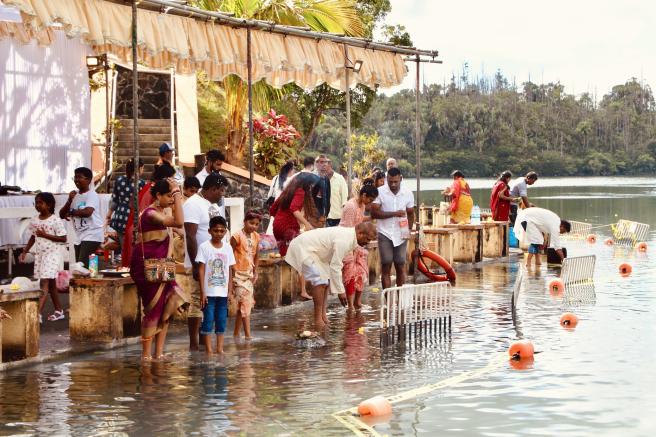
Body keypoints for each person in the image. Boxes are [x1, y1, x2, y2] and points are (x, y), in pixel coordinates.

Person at [130, 179, 188, 360]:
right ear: (158, 196)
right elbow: (179, 222)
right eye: (169, 196)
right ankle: (146, 356)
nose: (172, 199)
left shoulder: (162, 214)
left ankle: (159, 353)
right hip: (149, 265)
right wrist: (178, 193)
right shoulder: (150, 214)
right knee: (153, 309)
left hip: (163, 264)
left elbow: (179, 227)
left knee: (167, 308)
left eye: (173, 196)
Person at [285, 222, 377, 330]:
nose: (367, 243)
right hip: (304, 248)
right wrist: (340, 291)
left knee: (326, 281)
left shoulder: (350, 237)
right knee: (320, 281)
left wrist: (338, 289)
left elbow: (335, 265)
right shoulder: (345, 239)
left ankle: (323, 316)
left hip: (317, 253)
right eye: (368, 239)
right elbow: (335, 266)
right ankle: (318, 320)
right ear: (360, 233)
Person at [183, 173, 230, 351]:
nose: (222, 195)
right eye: (221, 191)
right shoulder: (193, 204)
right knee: (197, 301)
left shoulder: (211, 205)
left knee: (211, 302)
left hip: (216, 264)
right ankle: (194, 343)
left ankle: (205, 340)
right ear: (212, 189)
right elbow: (190, 234)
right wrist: (196, 264)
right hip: (200, 263)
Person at [270, 172, 320, 301]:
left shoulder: (287, 191)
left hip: (277, 226)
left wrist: (280, 219)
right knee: (301, 257)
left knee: (287, 256)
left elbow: (273, 209)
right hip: (288, 227)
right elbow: (294, 209)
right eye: (311, 184)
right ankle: (303, 291)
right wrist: (307, 224)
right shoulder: (300, 191)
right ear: (307, 183)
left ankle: (284, 292)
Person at [20, 193, 67, 322]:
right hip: (41, 255)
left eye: (40, 202)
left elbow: (63, 238)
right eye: (36, 202)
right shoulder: (35, 219)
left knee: (44, 282)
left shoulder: (55, 220)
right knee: (51, 285)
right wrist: (25, 250)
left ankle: (36, 314)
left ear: (49, 205)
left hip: (52, 255)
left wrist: (45, 235)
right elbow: (33, 236)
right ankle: (59, 310)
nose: (37, 205)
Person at [121, 162, 177, 268]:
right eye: (172, 179)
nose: (173, 183)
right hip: (144, 238)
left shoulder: (150, 188)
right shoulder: (153, 197)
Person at [196, 216, 236, 355]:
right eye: (216, 230)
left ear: (225, 231)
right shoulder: (204, 247)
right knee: (208, 320)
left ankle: (220, 348)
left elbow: (230, 270)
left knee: (221, 320)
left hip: (223, 293)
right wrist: (202, 291)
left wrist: (230, 291)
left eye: (221, 231)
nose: (218, 233)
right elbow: (201, 269)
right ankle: (209, 350)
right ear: (209, 231)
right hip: (209, 293)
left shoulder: (228, 248)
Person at [370, 167, 415, 289]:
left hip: (401, 233)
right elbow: (374, 214)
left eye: (395, 181)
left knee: (400, 265)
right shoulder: (379, 191)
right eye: (390, 182)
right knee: (386, 265)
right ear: (386, 179)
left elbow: (411, 213)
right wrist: (394, 213)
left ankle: (400, 300)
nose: (393, 184)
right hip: (384, 233)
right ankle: (388, 300)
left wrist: (409, 230)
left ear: (400, 179)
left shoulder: (408, 193)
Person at [340, 184, 378, 310]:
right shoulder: (350, 206)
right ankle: (350, 305)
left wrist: (372, 217)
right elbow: (349, 228)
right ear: (364, 195)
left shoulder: (361, 205)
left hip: (357, 243)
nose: (369, 203)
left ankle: (357, 301)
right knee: (350, 274)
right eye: (370, 200)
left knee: (362, 272)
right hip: (347, 243)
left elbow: (360, 221)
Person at [59, 167, 104, 268]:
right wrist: (69, 200)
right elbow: (61, 214)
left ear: (88, 180)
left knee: (81, 265)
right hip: (79, 235)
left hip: (92, 233)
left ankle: (87, 282)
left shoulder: (92, 195)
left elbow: (88, 212)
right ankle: (93, 280)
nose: (76, 180)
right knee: (90, 263)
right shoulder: (74, 195)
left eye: (80, 177)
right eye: (75, 177)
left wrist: (71, 212)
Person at [230, 211, 261, 339]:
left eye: (256, 224)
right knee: (245, 304)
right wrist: (230, 276)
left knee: (241, 306)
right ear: (245, 221)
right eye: (251, 223)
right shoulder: (236, 236)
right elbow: (229, 256)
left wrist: (256, 271)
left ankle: (236, 334)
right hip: (237, 274)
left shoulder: (256, 236)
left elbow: (257, 255)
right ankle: (248, 336)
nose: (253, 226)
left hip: (248, 274)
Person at [106, 159, 145, 255]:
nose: (143, 170)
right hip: (133, 216)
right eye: (142, 168)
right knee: (133, 246)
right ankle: (130, 266)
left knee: (124, 245)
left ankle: (125, 264)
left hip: (120, 215)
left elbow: (114, 199)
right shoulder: (141, 183)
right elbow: (142, 202)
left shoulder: (119, 180)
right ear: (139, 168)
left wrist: (109, 214)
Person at [325, 159, 348, 227]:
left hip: (337, 217)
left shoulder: (340, 179)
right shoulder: (321, 178)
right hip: (324, 218)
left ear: (330, 165)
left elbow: (344, 199)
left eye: (326, 166)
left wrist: (344, 218)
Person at [313, 155, 331, 226]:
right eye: (322, 162)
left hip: (323, 214)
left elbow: (328, 196)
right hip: (313, 213)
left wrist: (326, 212)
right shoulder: (311, 177)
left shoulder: (326, 178)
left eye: (326, 162)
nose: (324, 164)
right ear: (316, 164)